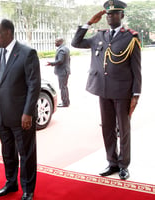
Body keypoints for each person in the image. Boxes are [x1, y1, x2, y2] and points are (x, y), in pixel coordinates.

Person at [71, 0, 141, 180]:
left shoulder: (131, 37)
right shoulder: (99, 36)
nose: (110, 17)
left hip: (123, 92)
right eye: (108, 14)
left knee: (123, 129)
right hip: (103, 91)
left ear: (122, 16)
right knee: (107, 129)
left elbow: (136, 69)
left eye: (115, 14)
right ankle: (112, 162)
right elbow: (76, 43)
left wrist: (136, 94)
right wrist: (89, 23)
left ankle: (124, 165)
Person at [0, 19, 41, 200]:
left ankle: (28, 189)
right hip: (3, 115)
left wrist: (28, 112)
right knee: (7, 152)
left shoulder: (27, 53)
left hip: (22, 116)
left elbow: (33, 85)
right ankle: (11, 183)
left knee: (26, 154)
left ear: (8, 32)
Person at [46, 38, 71, 107]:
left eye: (56, 41)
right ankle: (66, 102)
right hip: (65, 71)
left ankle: (65, 103)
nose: (55, 43)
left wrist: (51, 63)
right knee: (64, 87)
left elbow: (60, 61)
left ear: (60, 42)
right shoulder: (66, 48)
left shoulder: (62, 50)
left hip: (63, 71)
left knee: (62, 87)